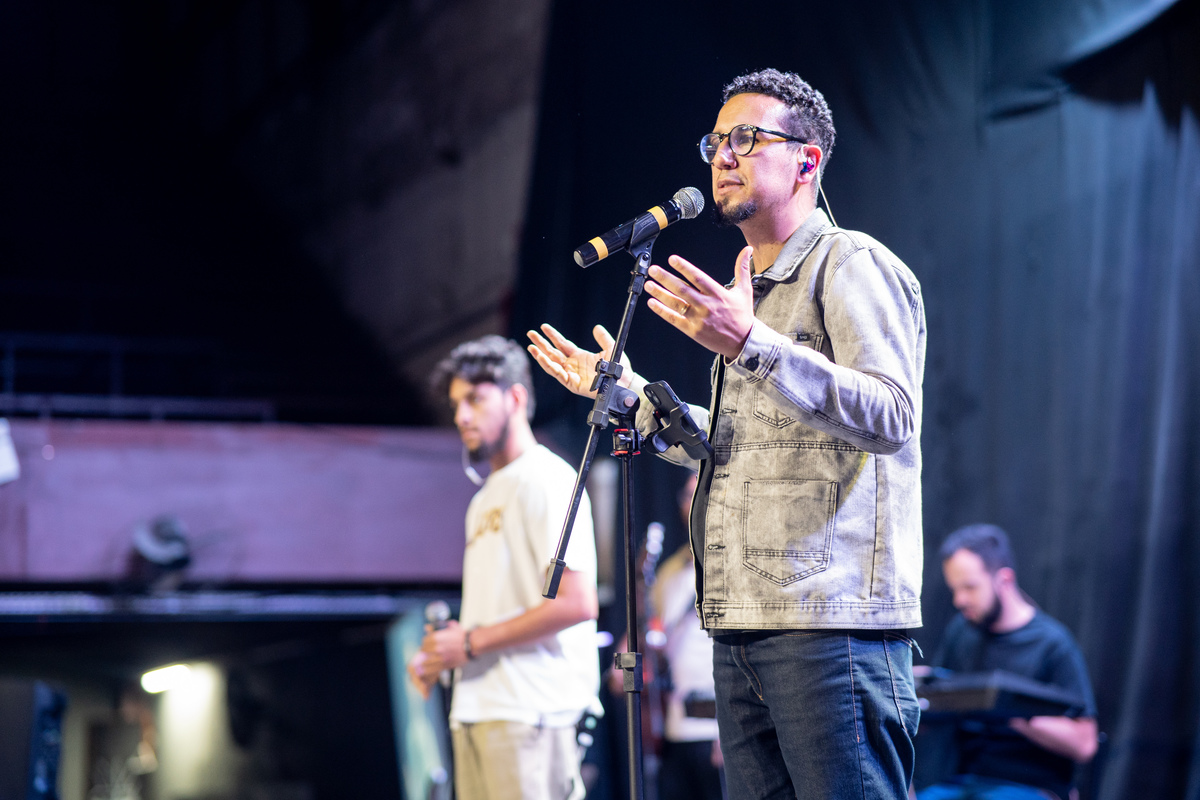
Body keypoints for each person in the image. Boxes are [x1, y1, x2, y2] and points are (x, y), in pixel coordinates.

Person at [527, 68, 926, 799]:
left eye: (747, 137)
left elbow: (893, 416)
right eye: (716, 140)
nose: (723, 155)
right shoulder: (751, 296)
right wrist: (630, 396)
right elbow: (738, 443)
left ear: (807, 159)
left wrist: (751, 344)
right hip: (740, 623)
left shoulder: (851, 264)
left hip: (828, 627)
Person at [408, 335, 601, 800]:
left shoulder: (548, 478)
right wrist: (446, 650)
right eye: (456, 404)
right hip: (480, 708)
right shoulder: (483, 498)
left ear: (515, 397)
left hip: (532, 710)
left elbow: (578, 603)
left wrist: (469, 642)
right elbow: (505, 603)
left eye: (474, 399)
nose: (461, 417)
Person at [917, 524, 1098, 800]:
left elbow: (1084, 743)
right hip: (961, 782)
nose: (960, 600)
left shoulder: (1053, 644)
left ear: (1004, 580)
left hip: (1029, 786)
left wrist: (1010, 711)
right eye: (955, 589)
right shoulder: (961, 631)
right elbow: (943, 696)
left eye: (970, 587)